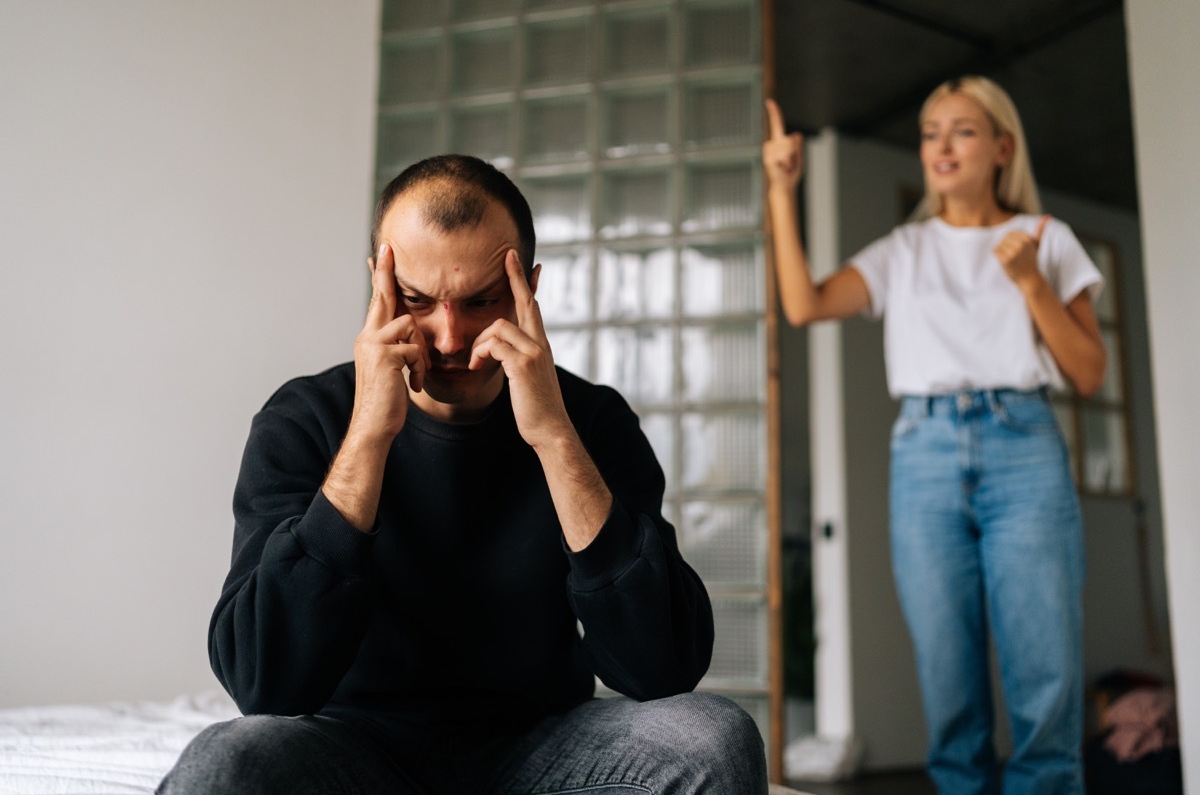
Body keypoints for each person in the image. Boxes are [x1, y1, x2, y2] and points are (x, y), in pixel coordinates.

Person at [158, 154, 768, 794]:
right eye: (419, 301)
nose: (450, 338)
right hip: (353, 745)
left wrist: (554, 437)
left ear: (529, 288)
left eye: (482, 301)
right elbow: (265, 683)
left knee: (713, 739)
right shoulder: (304, 419)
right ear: (380, 285)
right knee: (223, 766)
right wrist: (369, 434)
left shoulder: (592, 420)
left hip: (543, 745)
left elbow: (663, 668)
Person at [762, 77, 1106, 795]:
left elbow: (1088, 372)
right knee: (949, 680)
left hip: (1024, 447)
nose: (942, 146)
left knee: (1045, 674)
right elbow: (805, 304)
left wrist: (1031, 283)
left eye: (963, 130)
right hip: (924, 452)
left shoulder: (1047, 240)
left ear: (1002, 147)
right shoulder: (905, 249)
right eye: (930, 132)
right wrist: (781, 189)